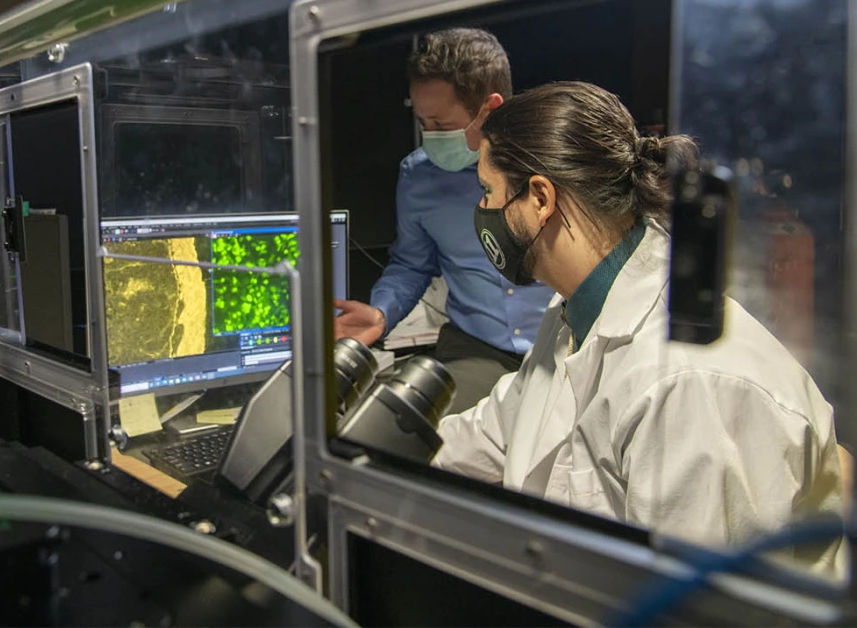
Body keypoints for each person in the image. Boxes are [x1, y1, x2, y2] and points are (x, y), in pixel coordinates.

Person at [434, 81, 843, 571]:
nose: (482, 212)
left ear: (540, 198)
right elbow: (491, 435)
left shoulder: (687, 383)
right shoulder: (574, 311)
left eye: (488, 192)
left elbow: (690, 608)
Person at [334, 28, 553, 410]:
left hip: (563, 343)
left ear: (492, 109)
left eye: (441, 125)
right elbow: (411, 263)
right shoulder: (418, 177)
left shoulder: (556, 163)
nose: (429, 137)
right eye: (422, 123)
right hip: (477, 350)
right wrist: (383, 311)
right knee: (408, 428)